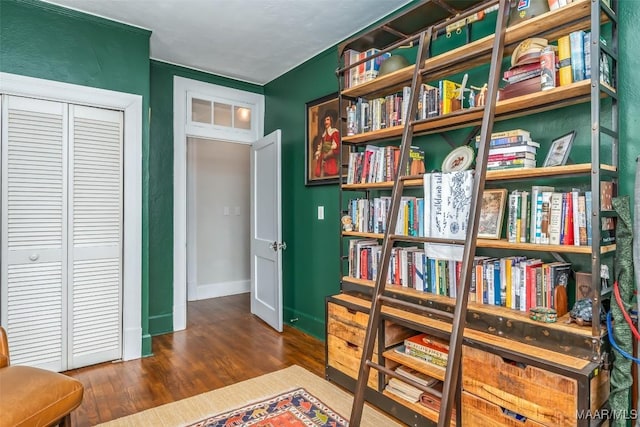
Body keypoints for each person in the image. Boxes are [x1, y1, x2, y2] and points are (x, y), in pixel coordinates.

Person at [314, 110, 340, 177]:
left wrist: (326, 155)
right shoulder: (324, 135)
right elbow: (321, 146)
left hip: (330, 159)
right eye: (325, 120)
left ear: (331, 121)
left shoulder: (334, 132)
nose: (326, 122)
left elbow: (336, 147)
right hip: (323, 159)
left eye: (328, 120)